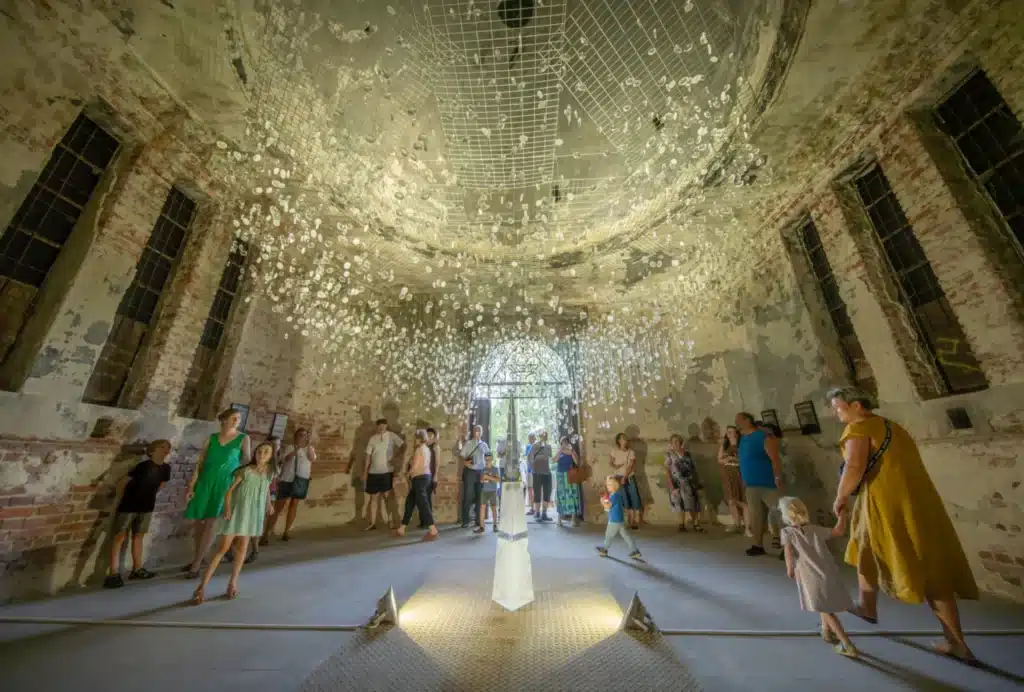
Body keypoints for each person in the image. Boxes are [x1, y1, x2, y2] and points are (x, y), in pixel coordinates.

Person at [828, 386, 979, 665]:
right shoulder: (892, 427)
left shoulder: (859, 428)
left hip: (883, 504)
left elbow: (854, 467)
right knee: (930, 566)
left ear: (857, 405)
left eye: (839, 407)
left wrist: (840, 497)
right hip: (918, 504)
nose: (836, 413)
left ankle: (868, 608)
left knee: (868, 550)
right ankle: (956, 642)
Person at [191, 442, 275, 604]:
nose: (262, 454)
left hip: (252, 514)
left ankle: (233, 582)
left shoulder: (269, 473)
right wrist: (227, 508)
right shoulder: (245, 471)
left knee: (243, 547)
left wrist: (269, 504)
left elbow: (265, 490)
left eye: (266, 452)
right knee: (222, 548)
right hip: (237, 513)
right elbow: (228, 492)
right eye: (259, 451)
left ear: (271, 457)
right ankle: (201, 586)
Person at [779, 496, 858, 658]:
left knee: (824, 609)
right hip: (827, 571)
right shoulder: (815, 529)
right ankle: (826, 631)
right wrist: (842, 517)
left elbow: (788, 554)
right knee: (822, 603)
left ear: (786, 515)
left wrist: (790, 570)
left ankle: (847, 644)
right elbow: (838, 532)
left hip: (809, 576)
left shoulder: (787, 533)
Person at [183, 408, 250, 578]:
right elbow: (200, 462)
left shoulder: (243, 438)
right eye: (234, 418)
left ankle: (196, 565)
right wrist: (191, 486)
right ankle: (198, 557)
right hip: (205, 481)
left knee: (212, 524)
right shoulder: (212, 438)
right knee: (198, 523)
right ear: (224, 420)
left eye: (239, 418)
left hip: (225, 484)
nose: (237, 421)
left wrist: (239, 485)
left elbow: (246, 464)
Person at [104, 439, 172, 588]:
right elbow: (124, 482)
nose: (165, 450)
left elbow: (160, 485)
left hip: (147, 506)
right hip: (129, 505)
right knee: (119, 537)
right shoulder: (143, 466)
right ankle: (113, 572)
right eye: (162, 447)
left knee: (138, 536)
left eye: (168, 447)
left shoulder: (166, 468)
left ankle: (137, 568)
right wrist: (121, 499)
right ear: (153, 450)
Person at [735, 412, 784, 556]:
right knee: (756, 516)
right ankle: (758, 544)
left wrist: (777, 476)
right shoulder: (743, 438)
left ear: (748, 420)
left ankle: (787, 546)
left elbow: (775, 458)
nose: (737, 423)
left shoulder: (764, 436)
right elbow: (743, 460)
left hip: (768, 482)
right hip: (751, 484)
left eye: (739, 420)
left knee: (779, 514)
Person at [263, 428, 315, 543]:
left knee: (294, 505)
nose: (302, 437)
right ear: (295, 436)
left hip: (301, 480)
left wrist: (308, 444)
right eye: (300, 435)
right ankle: (267, 533)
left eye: (305, 435)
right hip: (287, 479)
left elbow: (312, 458)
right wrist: (296, 450)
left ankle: (287, 531)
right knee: (278, 507)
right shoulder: (289, 447)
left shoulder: (309, 449)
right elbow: (285, 459)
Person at [394, 429, 439, 541]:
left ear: (419, 438)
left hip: (419, 479)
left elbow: (414, 467)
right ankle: (402, 528)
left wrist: (406, 474)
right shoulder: (427, 449)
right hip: (425, 478)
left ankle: (433, 530)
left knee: (423, 504)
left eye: (415, 438)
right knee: (410, 502)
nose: (414, 440)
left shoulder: (419, 450)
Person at [363, 418, 404, 531]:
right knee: (374, 498)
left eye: (383, 425)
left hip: (387, 472)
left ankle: (390, 521)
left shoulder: (391, 435)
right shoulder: (372, 439)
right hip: (373, 472)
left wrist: (396, 458)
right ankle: (372, 523)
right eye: (379, 425)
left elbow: (402, 446)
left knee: (387, 497)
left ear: (386, 426)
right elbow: (368, 456)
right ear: (377, 427)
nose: (381, 427)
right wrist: (365, 472)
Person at [596, 475, 641, 560]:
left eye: (609, 484)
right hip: (620, 520)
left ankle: (604, 550)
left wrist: (602, 501)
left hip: (614, 520)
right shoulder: (618, 495)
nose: (607, 486)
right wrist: (606, 501)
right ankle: (635, 550)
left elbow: (608, 506)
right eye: (607, 484)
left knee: (608, 535)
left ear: (614, 486)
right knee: (626, 536)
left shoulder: (613, 496)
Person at [665, 434, 703, 532]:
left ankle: (696, 524)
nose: (675, 443)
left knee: (693, 504)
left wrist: (697, 482)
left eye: (677, 441)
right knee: (679, 503)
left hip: (689, 482)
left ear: (681, 442)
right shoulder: (669, 454)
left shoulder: (688, 454)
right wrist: (671, 486)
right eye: (673, 442)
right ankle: (681, 524)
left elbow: (693, 469)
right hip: (676, 483)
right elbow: (667, 471)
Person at [608, 432, 641, 529]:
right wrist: (616, 466)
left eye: (625, 438)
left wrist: (625, 477)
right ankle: (627, 521)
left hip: (629, 477)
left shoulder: (631, 452)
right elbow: (610, 463)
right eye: (622, 438)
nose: (624, 440)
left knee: (634, 497)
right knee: (624, 499)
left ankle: (634, 521)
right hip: (618, 477)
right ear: (619, 441)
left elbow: (632, 466)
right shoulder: (614, 451)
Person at [459, 425, 489, 529]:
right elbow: (462, 456)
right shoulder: (468, 443)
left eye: (479, 431)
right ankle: (465, 520)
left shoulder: (484, 445)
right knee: (467, 495)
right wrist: (465, 463)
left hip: (480, 472)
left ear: (482, 433)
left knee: (479, 496)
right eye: (476, 431)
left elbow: (488, 458)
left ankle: (478, 520)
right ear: (473, 432)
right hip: (470, 471)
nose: (478, 432)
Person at [717, 425, 746, 533]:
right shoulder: (724, 445)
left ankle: (747, 524)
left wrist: (731, 458)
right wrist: (726, 459)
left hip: (740, 474)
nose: (729, 434)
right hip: (728, 475)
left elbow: (743, 459)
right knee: (731, 500)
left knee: (742, 499)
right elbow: (719, 460)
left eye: (731, 432)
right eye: (727, 432)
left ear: (736, 433)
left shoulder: (741, 444)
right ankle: (736, 523)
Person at [554, 436, 581, 527]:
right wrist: (560, 450)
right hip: (560, 476)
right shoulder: (559, 451)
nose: (564, 444)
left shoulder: (571, 451)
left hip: (570, 476)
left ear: (568, 443)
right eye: (562, 442)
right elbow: (554, 460)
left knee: (572, 495)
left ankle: (573, 519)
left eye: (565, 442)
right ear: (560, 443)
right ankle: (559, 518)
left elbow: (577, 462)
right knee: (561, 496)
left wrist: (572, 452)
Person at [528, 432, 553, 521]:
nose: (544, 437)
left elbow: (549, 458)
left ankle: (544, 514)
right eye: (542, 435)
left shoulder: (549, 446)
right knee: (537, 493)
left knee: (547, 493)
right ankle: (537, 513)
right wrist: (533, 468)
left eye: (545, 435)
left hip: (547, 473)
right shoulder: (535, 446)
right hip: (537, 473)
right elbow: (529, 457)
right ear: (539, 436)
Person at [475, 452, 500, 533]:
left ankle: (495, 525)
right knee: (482, 508)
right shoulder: (482, 470)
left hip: (493, 491)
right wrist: (483, 480)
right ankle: (481, 527)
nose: (487, 461)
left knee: (493, 508)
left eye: (489, 459)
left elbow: (497, 480)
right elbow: (481, 481)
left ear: (492, 459)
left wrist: (488, 477)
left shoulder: (495, 469)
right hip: (484, 491)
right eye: (486, 459)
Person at [420, 428, 440, 527]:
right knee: (422, 498)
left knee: (427, 498)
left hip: (430, 475)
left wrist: (435, 475)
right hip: (422, 474)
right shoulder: (423, 446)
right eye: (428, 435)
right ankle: (423, 521)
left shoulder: (435, 447)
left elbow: (437, 462)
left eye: (431, 435)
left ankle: (428, 522)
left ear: (434, 437)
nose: (429, 437)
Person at [523, 432, 536, 513]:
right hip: (530, 470)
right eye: (531, 438)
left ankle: (534, 508)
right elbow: (527, 455)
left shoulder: (535, 446)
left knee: (533, 489)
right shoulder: (529, 446)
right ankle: (533, 508)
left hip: (534, 471)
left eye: (533, 437)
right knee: (531, 489)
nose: (532, 439)